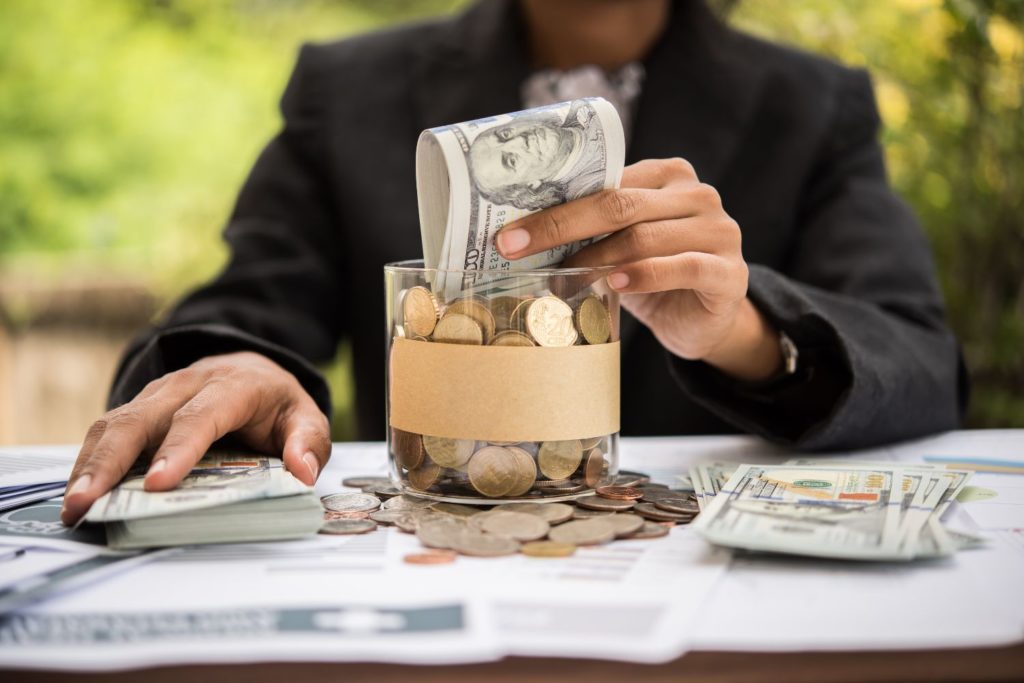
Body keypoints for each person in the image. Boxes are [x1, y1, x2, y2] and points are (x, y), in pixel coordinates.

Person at [59, 0, 966, 525]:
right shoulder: (348, 89)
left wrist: (747, 333)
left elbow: (922, 361)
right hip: (431, 555)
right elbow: (252, 302)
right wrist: (237, 362)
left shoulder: (815, 104)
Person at [469, 99, 608, 209]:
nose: (520, 140)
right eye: (512, 161)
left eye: (505, 134)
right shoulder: (589, 193)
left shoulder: (579, 106)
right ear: (530, 186)